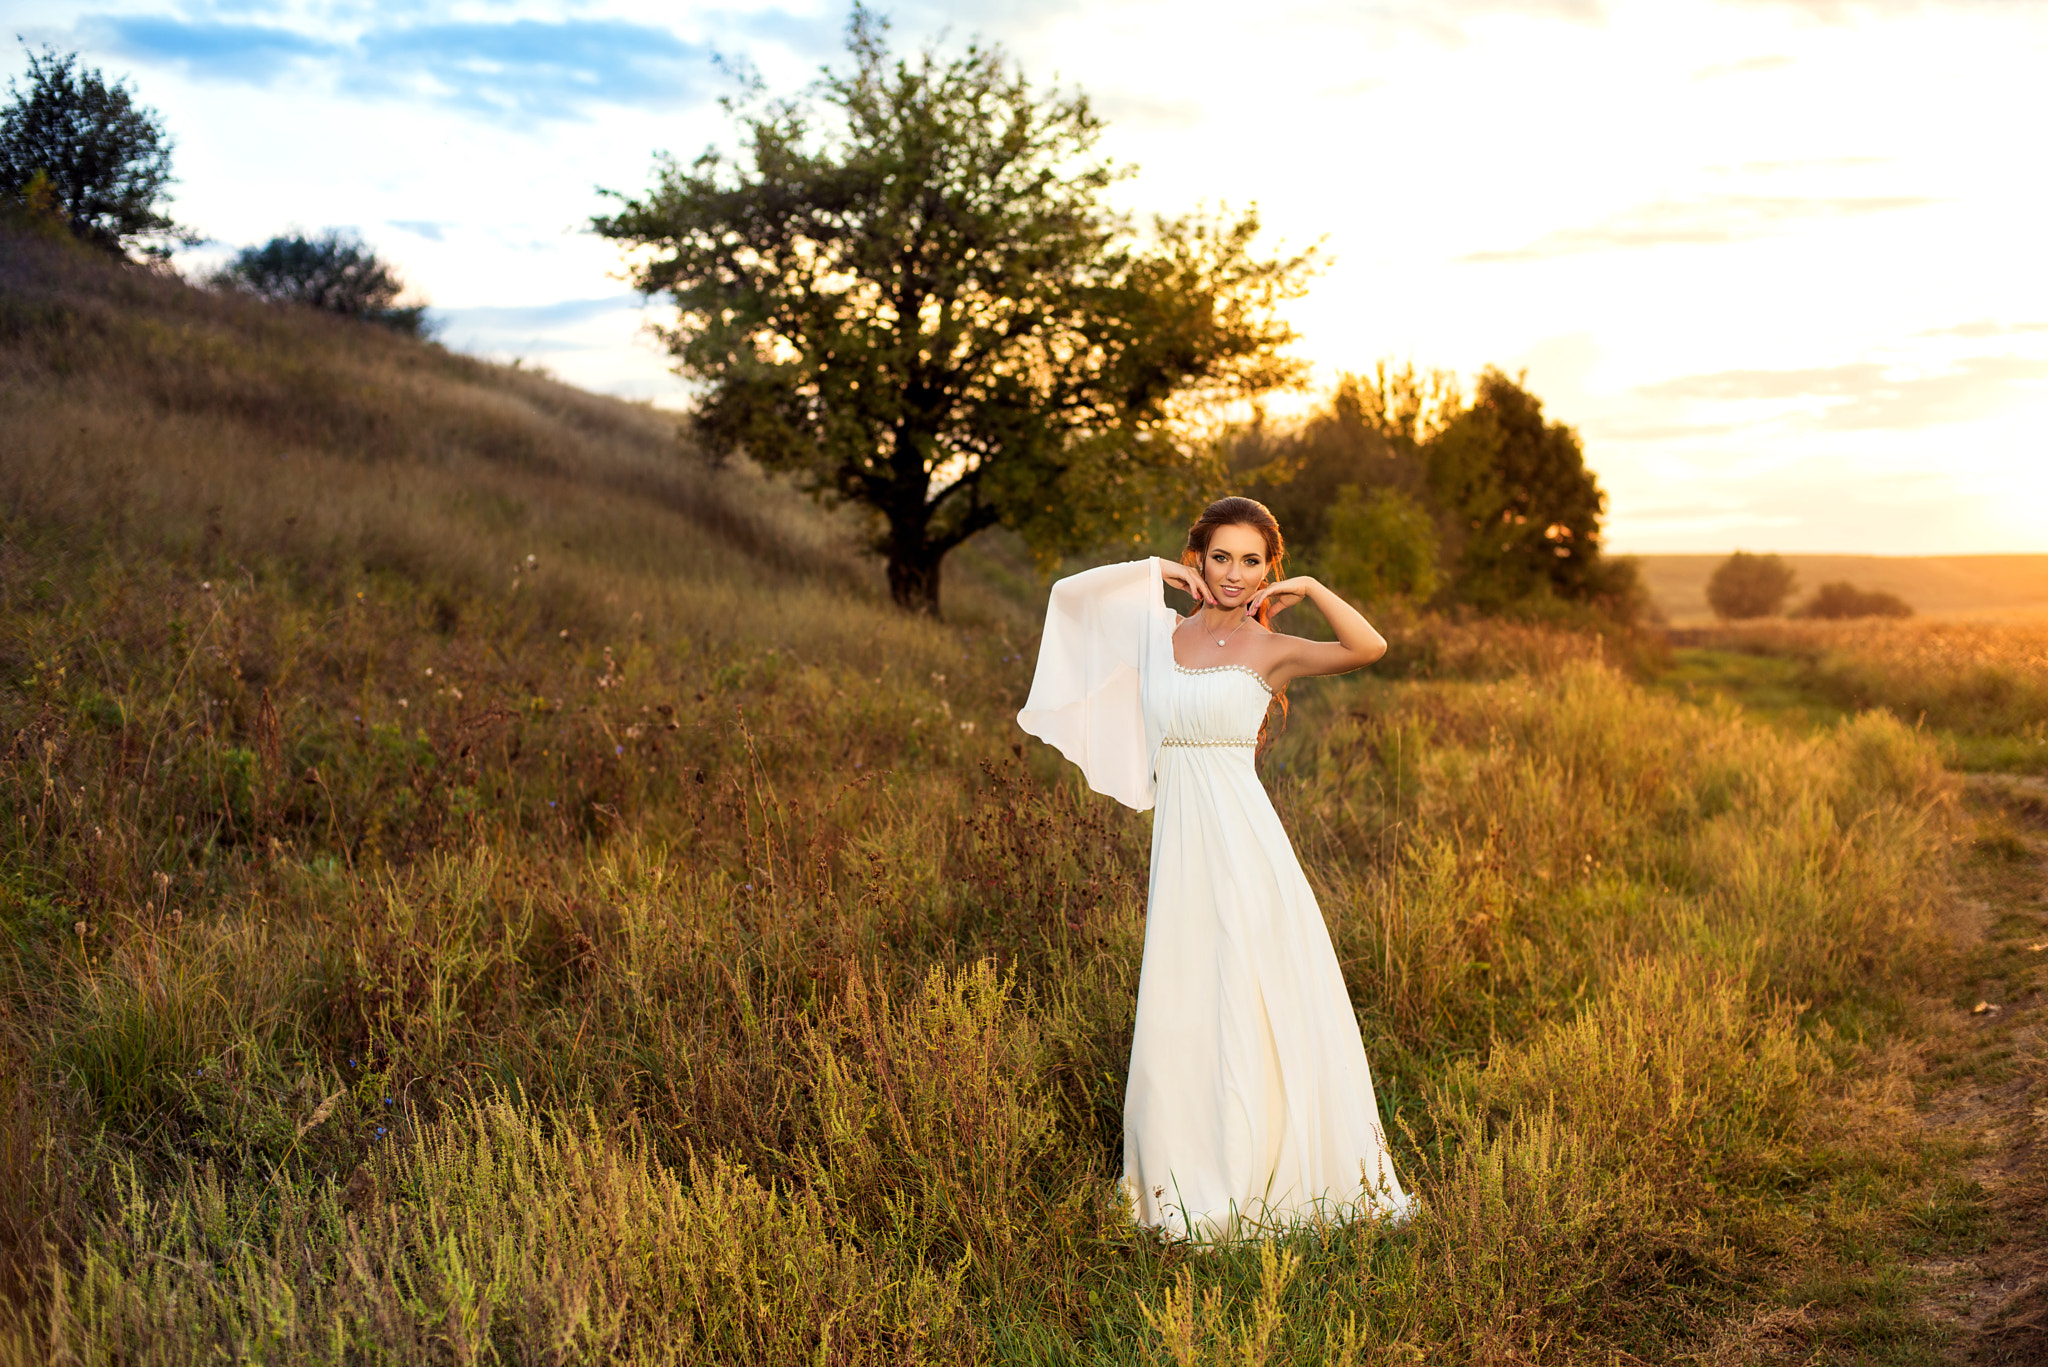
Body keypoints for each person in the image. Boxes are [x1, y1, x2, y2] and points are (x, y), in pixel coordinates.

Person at [1017, 496, 1412, 1241]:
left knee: (1253, 992)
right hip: (1183, 846)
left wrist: (1316, 591)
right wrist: (1155, 570)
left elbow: (1370, 648)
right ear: (1199, 558)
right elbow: (1066, 599)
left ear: (1270, 569)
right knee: (1187, 994)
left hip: (1246, 846)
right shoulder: (1157, 633)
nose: (1234, 574)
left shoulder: (1273, 649)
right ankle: (1187, 1165)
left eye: (1252, 560)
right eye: (1219, 556)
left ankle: (1267, 1165)